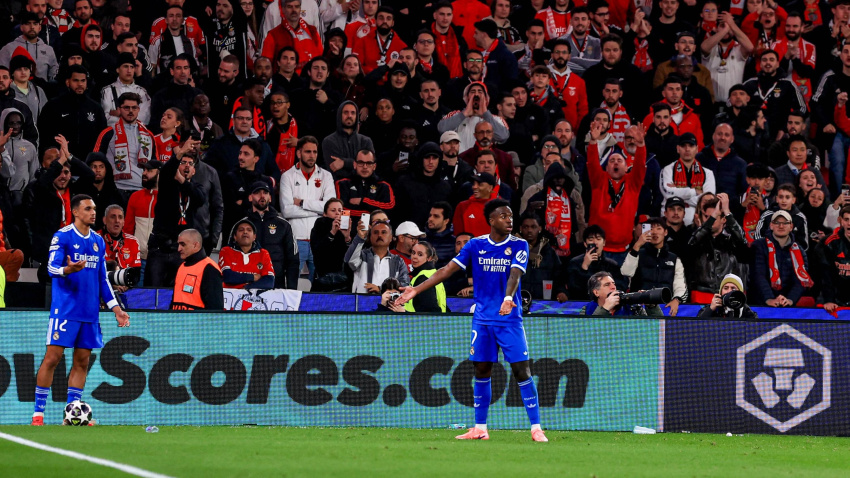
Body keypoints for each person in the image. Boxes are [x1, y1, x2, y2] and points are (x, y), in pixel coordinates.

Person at [397, 198, 547, 442]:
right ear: (491, 220)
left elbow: (515, 273)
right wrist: (415, 290)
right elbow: (446, 270)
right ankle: (480, 428)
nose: (509, 220)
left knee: (521, 369)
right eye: (503, 216)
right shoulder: (476, 245)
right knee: (481, 369)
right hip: (483, 318)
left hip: (509, 318)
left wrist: (508, 298)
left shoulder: (519, 244)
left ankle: (536, 427)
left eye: (510, 216)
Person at [31, 194, 130, 426]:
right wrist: (67, 269)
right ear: (75, 212)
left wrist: (116, 309)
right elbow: (51, 268)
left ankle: (71, 414)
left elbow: (102, 279)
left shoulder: (97, 240)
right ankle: (38, 415)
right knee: (53, 358)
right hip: (65, 310)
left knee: (82, 361)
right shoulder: (63, 236)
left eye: (94, 208)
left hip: (89, 312)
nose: (93, 212)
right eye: (88, 209)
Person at [620, 217, 688, 316]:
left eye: (658, 228)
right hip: (639, 307)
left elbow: (680, 285)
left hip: (665, 307)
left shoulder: (674, 258)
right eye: (651, 228)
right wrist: (637, 245)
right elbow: (625, 272)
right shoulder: (637, 253)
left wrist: (677, 300)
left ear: (665, 232)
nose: (654, 232)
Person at [345, 220, 409, 293]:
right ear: (370, 237)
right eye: (375, 232)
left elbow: (404, 286)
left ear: (391, 237)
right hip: (362, 303)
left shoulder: (398, 262)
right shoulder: (361, 256)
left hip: (388, 304)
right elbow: (348, 260)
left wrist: (381, 289)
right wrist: (360, 238)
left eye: (383, 232)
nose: (379, 235)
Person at [170, 229, 223, 310]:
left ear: (195, 245)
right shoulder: (181, 267)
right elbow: (175, 301)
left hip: (198, 322)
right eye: (178, 244)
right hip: (179, 321)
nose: (179, 249)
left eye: (183, 244)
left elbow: (215, 309)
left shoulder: (209, 268)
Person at [219, 218, 275, 289]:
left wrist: (246, 287)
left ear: (254, 237)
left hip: (255, 298)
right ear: (235, 237)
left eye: (249, 230)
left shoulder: (263, 253)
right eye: (241, 230)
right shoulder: (226, 251)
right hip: (230, 297)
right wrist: (253, 277)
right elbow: (228, 277)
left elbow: (269, 282)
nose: (245, 232)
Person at [310, 198, 352, 292]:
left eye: (340, 210)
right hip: (323, 279)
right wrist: (332, 232)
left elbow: (352, 257)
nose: (337, 213)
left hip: (344, 281)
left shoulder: (347, 228)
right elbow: (318, 251)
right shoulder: (319, 226)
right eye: (333, 210)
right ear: (325, 213)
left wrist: (347, 238)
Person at [403, 241, 446, 313]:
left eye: (420, 254)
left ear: (429, 258)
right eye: (413, 253)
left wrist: (404, 311)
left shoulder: (422, 278)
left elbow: (429, 310)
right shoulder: (434, 273)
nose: (414, 257)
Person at [579, 271, 646, 316]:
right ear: (596, 292)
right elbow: (587, 332)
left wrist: (652, 308)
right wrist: (605, 309)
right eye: (607, 285)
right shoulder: (586, 310)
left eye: (614, 284)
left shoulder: (632, 307)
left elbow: (653, 328)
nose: (613, 287)